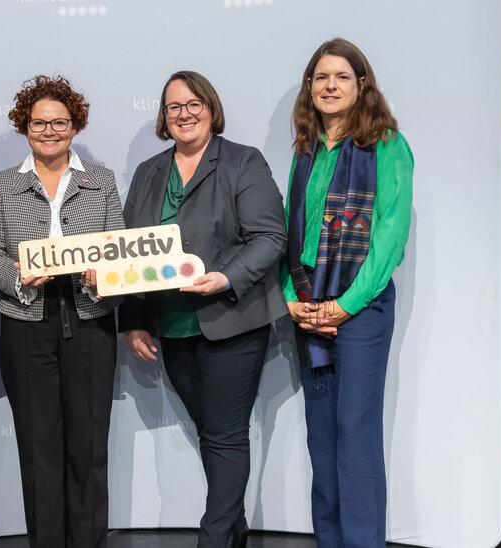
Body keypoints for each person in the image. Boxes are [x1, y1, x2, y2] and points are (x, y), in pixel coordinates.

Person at [120, 71, 288, 548]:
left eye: (194, 104)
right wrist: (134, 322)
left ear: (211, 109)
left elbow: (270, 236)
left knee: (226, 435)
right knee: (212, 433)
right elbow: (130, 253)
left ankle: (212, 539)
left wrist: (225, 277)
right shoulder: (149, 172)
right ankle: (233, 532)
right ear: (163, 116)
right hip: (172, 326)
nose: (184, 114)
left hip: (232, 319)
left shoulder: (242, 161)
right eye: (174, 106)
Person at [0, 75, 125, 548]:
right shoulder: (4, 185)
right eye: (39, 123)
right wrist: (18, 278)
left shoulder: (101, 181)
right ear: (25, 127)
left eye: (60, 122)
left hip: (90, 320)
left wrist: (104, 278)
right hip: (26, 323)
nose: (49, 131)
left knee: (88, 447)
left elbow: (119, 252)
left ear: (75, 126)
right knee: (38, 447)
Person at [281, 38, 413, 547]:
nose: (330, 86)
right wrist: (291, 296)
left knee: (356, 438)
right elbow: (291, 231)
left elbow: (390, 239)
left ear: (362, 85)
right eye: (321, 77)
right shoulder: (306, 150)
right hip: (310, 306)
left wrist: (344, 305)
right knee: (323, 439)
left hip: (361, 309)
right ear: (309, 87)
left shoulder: (387, 146)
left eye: (341, 77)